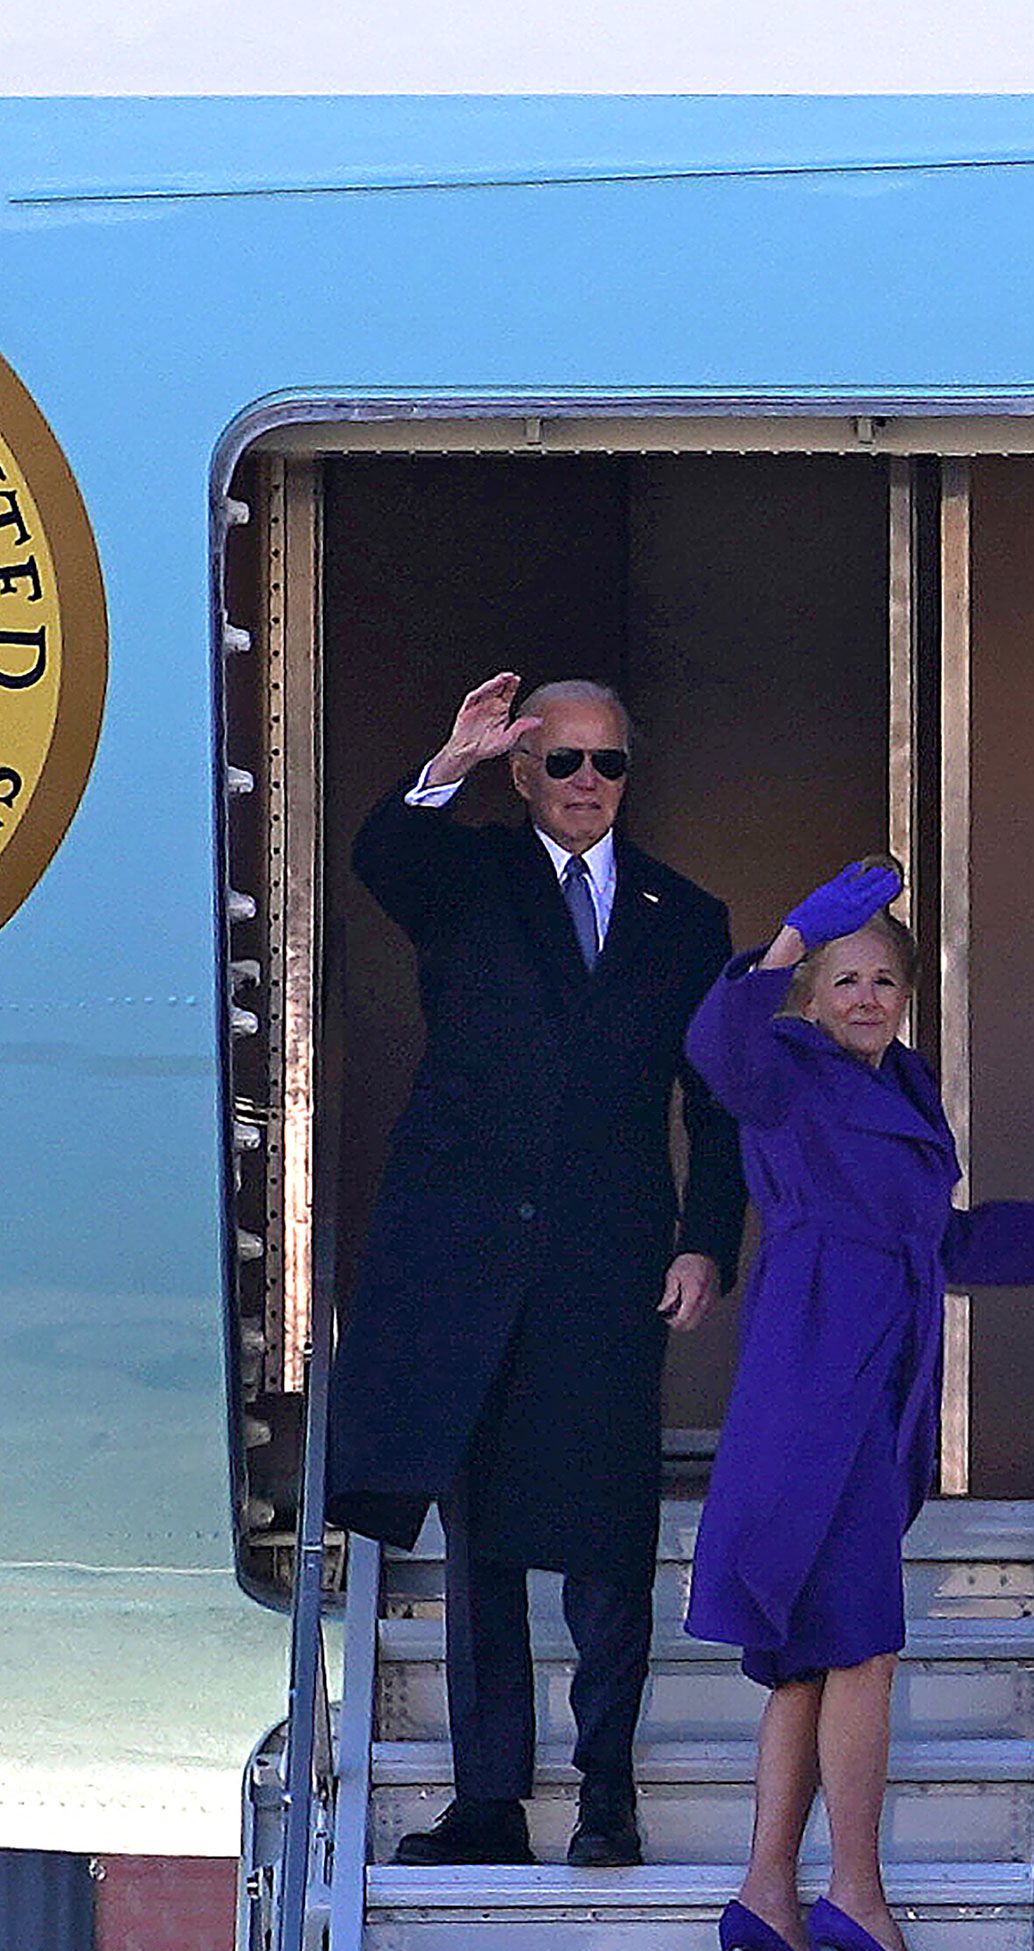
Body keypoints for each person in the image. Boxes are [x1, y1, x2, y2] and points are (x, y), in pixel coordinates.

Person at [326, 671, 746, 1870]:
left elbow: (712, 1101)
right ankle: (490, 1800)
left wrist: (707, 1237)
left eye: (607, 762)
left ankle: (606, 1789)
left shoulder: (684, 913)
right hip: (467, 1253)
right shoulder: (470, 877)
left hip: (609, 1256)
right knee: (482, 1537)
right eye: (561, 762)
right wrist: (445, 762)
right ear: (524, 772)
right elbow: (384, 861)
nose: (586, 785)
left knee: (609, 1530)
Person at [682, 859, 1034, 1951]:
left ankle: (766, 1895)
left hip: (877, 1379)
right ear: (814, 996)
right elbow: (714, 1048)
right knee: (860, 1645)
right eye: (844, 979)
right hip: (817, 1370)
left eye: (883, 980)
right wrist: (783, 938)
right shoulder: (784, 1065)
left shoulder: (906, 1087)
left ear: (904, 998)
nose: (865, 997)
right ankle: (856, 1902)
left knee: (809, 1662)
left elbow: (935, 1241)